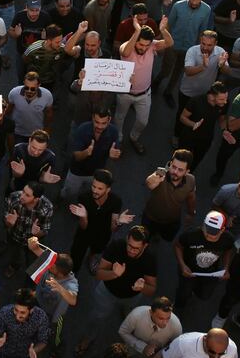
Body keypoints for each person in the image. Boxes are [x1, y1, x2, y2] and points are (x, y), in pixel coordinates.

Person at [74, 226, 157, 357]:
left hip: (131, 297)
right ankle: (87, 339)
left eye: (136, 248)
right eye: (129, 245)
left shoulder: (150, 259)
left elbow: (151, 289)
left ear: (145, 246)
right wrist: (114, 274)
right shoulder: (116, 246)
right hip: (107, 292)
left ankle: (125, 316)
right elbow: (98, 274)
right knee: (97, 317)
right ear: (126, 239)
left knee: (129, 315)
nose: (131, 250)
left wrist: (142, 288)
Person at [114, 16, 173, 155]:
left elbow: (169, 42)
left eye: (147, 45)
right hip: (125, 93)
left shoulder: (152, 46)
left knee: (143, 121)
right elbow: (126, 52)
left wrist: (163, 30)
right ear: (135, 39)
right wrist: (137, 30)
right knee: (120, 117)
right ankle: (119, 139)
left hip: (144, 94)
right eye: (141, 44)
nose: (144, 48)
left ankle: (134, 137)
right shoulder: (126, 46)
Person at [68, 169, 131, 275]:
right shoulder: (84, 197)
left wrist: (119, 222)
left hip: (103, 235)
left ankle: (91, 258)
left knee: (96, 251)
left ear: (108, 190)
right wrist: (83, 216)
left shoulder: (116, 201)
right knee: (75, 258)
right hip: (83, 235)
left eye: (100, 188)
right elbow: (83, 227)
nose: (95, 191)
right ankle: (71, 274)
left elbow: (113, 228)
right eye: (93, 186)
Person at [27, 238, 78, 358]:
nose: (49, 265)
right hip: (40, 302)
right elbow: (37, 250)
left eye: (52, 266)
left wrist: (60, 289)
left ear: (60, 273)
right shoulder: (53, 263)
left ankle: (57, 349)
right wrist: (33, 244)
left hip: (55, 315)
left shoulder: (71, 283)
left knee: (56, 335)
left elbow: (73, 300)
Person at [173, 210, 234, 310]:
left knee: (204, 296)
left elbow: (228, 250)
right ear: (203, 225)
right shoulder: (190, 234)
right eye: (207, 229)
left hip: (211, 273)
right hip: (189, 271)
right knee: (183, 294)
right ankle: (178, 308)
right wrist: (182, 265)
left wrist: (226, 267)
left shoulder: (228, 239)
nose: (209, 234)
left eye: (214, 232)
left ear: (222, 230)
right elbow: (178, 246)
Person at [63, 106, 120, 202]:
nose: (100, 126)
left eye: (103, 123)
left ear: (109, 120)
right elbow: (76, 156)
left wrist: (114, 156)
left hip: (96, 173)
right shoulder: (82, 129)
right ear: (93, 118)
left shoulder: (114, 132)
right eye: (97, 122)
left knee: (88, 193)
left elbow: (116, 153)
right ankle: (61, 199)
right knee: (69, 192)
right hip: (77, 171)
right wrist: (86, 152)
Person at [0, 287, 49, 358]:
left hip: (24, 352)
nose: (17, 315)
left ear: (31, 310)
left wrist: (35, 350)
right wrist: (0, 338)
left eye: (22, 312)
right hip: (5, 352)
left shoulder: (41, 317)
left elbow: (43, 340)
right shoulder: (3, 313)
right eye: (16, 310)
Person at [118, 297, 183, 358]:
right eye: (161, 318)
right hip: (132, 348)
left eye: (168, 318)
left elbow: (176, 345)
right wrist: (142, 347)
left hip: (158, 354)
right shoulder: (136, 314)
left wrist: (160, 355)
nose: (165, 323)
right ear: (151, 312)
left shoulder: (176, 325)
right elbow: (123, 331)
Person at [142, 149, 197, 243]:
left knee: (166, 238)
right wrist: (152, 180)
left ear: (187, 171)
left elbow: (191, 196)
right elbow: (149, 182)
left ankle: (158, 236)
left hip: (172, 221)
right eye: (173, 166)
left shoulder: (191, 180)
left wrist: (191, 213)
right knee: (145, 239)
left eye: (180, 170)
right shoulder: (161, 173)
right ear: (170, 163)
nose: (175, 172)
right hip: (150, 218)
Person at [6, 72, 54, 143]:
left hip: (36, 133)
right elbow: (8, 111)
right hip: (17, 132)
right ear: (23, 84)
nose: (29, 91)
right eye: (26, 87)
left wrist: (46, 132)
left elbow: (49, 115)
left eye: (32, 89)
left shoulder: (47, 95)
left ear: (38, 85)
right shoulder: (14, 93)